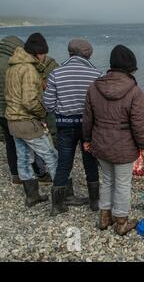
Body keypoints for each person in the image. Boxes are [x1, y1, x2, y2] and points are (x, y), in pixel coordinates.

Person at [83, 44, 144, 236]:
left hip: (100, 142)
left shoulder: (94, 87)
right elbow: (138, 124)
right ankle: (121, 221)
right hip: (123, 146)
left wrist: (87, 139)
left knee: (107, 180)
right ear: (131, 68)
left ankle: (104, 217)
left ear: (112, 65)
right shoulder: (134, 91)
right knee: (122, 183)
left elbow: (88, 118)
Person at [44, 39, 102, 216]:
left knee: (64, 163)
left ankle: (57, 205)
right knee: (90, 162)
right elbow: (99, 105)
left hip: (64, 125)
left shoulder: (56, 73)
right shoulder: (96, 74)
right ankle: (94, 202)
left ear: (70, 53)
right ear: (88, 54)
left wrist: (60, 113)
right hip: (88, 127)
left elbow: (47, 103)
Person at [4, 33, 58, 207]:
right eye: (43, 53)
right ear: (37, 53)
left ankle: (32, 196)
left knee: (24, 158)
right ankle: (63, 195)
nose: (44, 57)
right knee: (51, 156)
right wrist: (43, 113)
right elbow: (29, 101)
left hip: (13, 120)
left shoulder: (12, 66)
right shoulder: (28, 69)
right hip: (27, 121)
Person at [0, 36, 50, 184]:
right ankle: (41, 174)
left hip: (6, 113)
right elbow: (28, 98)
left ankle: (16, 176)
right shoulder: (21, 67)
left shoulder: (11, 63)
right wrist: (42, 113)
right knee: (33, 146)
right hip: (19, 112)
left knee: (11, 143)